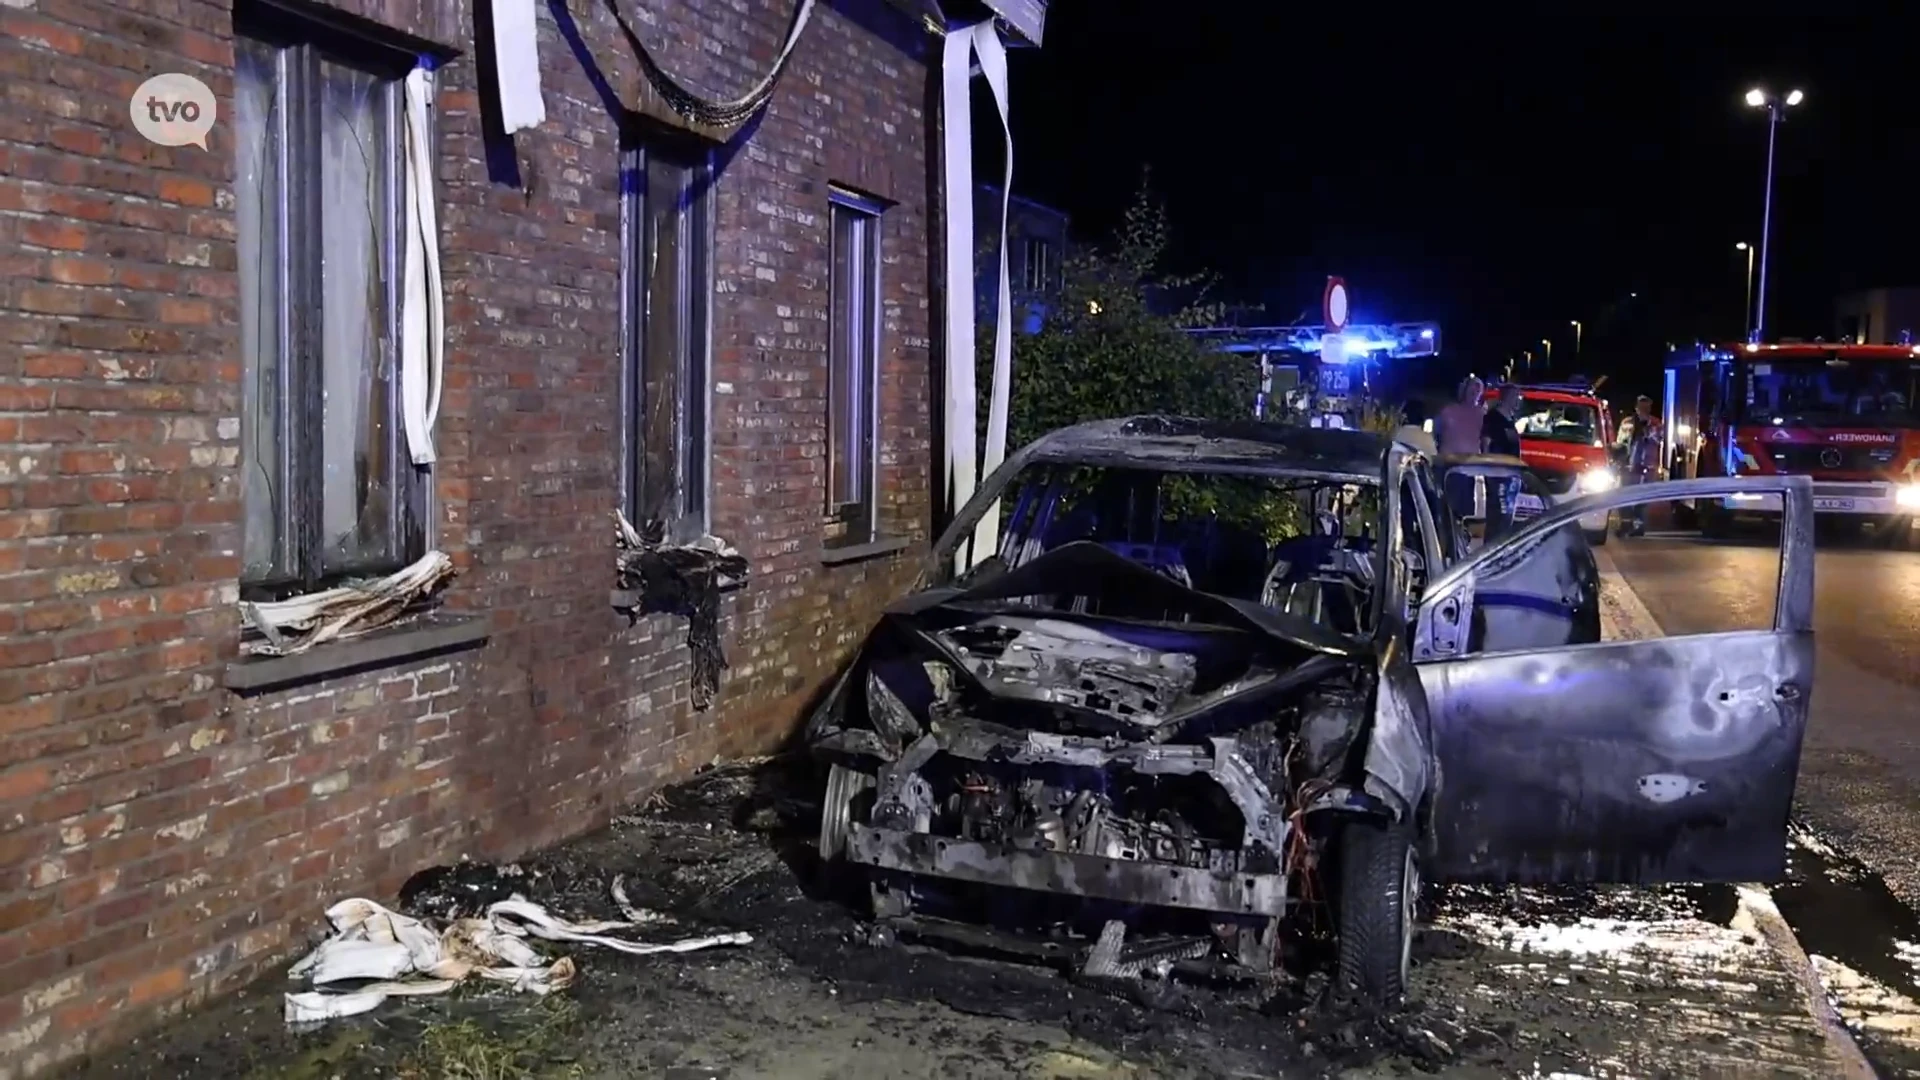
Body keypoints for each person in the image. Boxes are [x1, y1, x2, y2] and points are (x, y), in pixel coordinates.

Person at [1434, 377, 1487, 524]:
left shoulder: (1481, 415)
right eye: (1472, 388)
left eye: (1478, 389)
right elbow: (1435, 434)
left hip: (1468, 469)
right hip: (1448, 467)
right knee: (1447, 510)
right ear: (1463, 390)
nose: (1474, 392)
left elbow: (1485, 440)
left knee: (1464, 512)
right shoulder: (1448, 411)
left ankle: (1460, 540)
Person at [1614, 395, 1662, 537]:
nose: (1643, 409)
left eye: (1646, 407)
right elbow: (1620, 442)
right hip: (1629, 467)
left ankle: (1638, 526)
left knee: (1642, 499)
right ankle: (1625, 525)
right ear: (1636, 407)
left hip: (1647, 468)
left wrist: (1645, 430)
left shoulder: (1656, 424)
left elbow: (1658, 438)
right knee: (1624, 497)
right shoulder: (1627, 422)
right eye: (1641, 406)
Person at [1480, 385, 1524, 538]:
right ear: (1506, 397)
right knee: (1497, 518)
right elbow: (1485, 444)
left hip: (1510, 477)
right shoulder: (1493, 419)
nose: (1518, 400)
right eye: (1515, 396)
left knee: (1506, 519)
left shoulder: (1510, 420)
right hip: (1498, 477)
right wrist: (1490, 472)